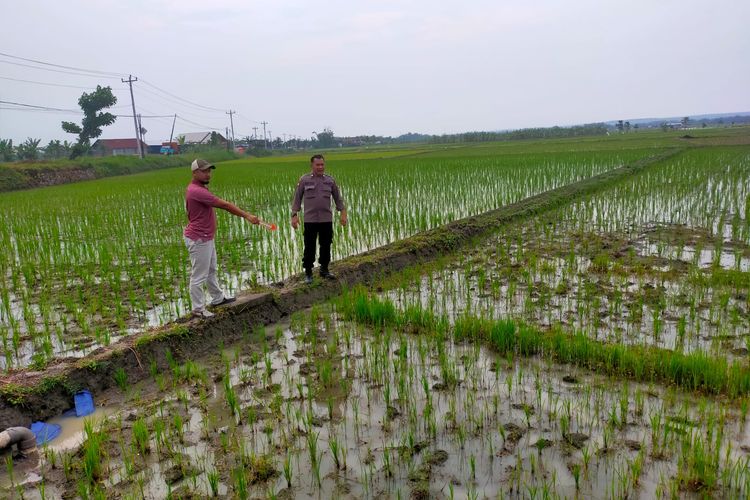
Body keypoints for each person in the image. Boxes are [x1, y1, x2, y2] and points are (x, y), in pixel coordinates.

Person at [184, 159, 260, 318]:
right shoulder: (197, 191)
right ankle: (198, 309)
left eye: (209, 171)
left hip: (206, 237)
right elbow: (224, 205)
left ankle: (218, 298)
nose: (208, 174)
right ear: (194, 173)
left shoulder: (198, 188)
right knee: (199, 276)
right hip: (199, 239)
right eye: (204, 171)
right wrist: (247, 216)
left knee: (211, 269)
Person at [291, 154, 347, 283]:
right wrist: (294, 215)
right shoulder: (304, 180)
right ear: (312, 165)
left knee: (326, 245)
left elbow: (338, 199)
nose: (320, 167)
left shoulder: (330, 180)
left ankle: (324, 270)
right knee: (309, 246)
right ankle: (308, 273)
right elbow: (297, 199)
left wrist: (343, 214)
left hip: (326, 219)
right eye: (318, 165)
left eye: (322, 164)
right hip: (310, 220)